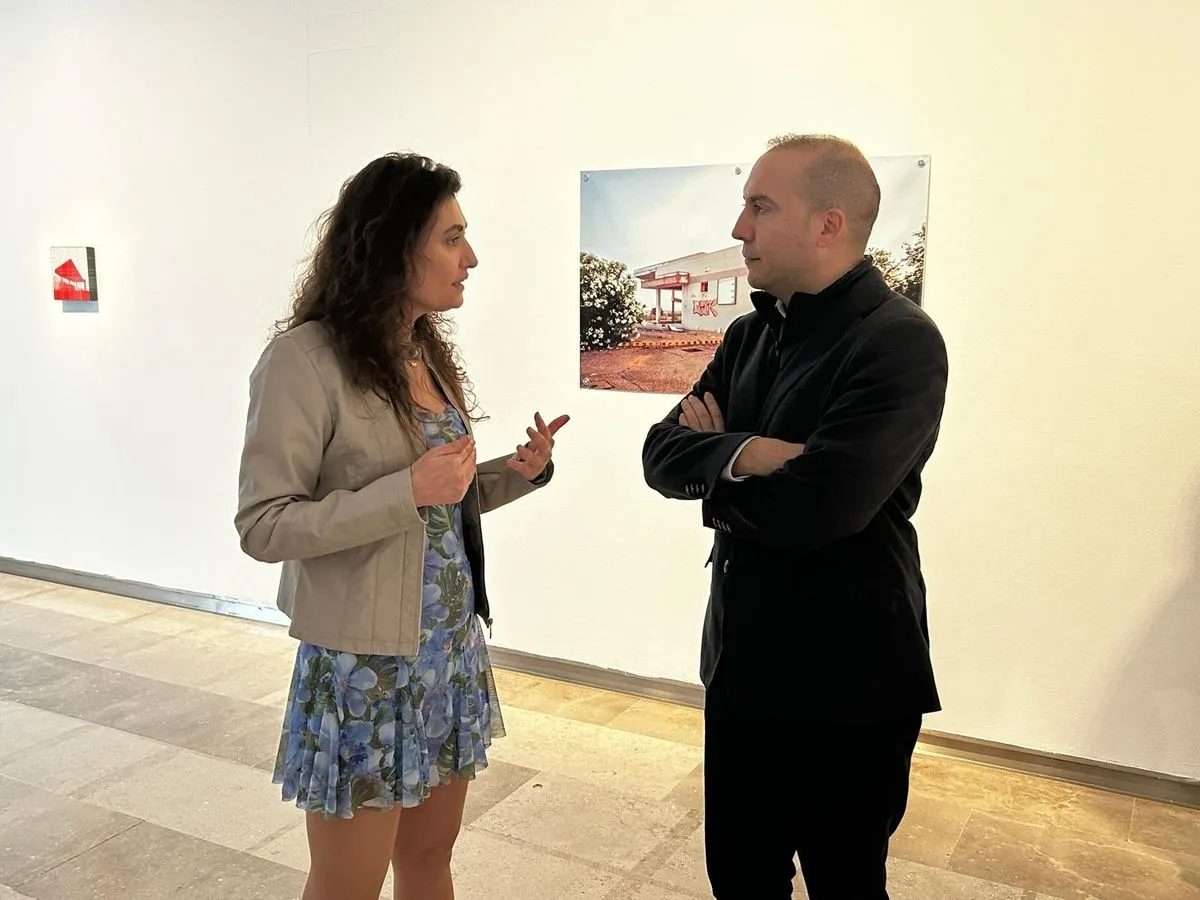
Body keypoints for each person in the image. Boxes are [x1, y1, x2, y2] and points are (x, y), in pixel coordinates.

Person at [234, 152, 568, 900]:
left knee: (429, 862)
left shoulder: (421, 351)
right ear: (392, 244)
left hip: (447, 656)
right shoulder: (302, 362)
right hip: (366, 669)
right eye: (452, 238)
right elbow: (264, 524)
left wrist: (520, 471)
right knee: (346, 884)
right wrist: (407, 491)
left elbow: (440, 503)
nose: (470, 258)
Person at [641, 134, 948, 899]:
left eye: (760, 207)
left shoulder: (899, 341)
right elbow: (659, 455)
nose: (739, 228)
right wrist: (753, 454)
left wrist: (716, 460)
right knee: (740, 878)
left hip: (848, 678)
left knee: (845, 882)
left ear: (827, 224)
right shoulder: (748, 335)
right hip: (739, 665)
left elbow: (821, 509)